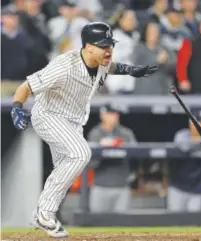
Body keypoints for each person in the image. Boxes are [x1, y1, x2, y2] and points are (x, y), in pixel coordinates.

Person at [10, 22, 158, 238]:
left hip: (73, 122)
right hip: (49, 115)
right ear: (88, 46)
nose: (109, 50)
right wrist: (16, 107)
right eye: (104, 45)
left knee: (67, 170)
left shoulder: (100, 60)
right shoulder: (64, 66)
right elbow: (26, 87)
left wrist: (132, 70)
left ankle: (41, 213)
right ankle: (44, 213)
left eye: (111, 45)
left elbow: (111, 66)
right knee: (81, 153)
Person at [88, 104, 136, 213]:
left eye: (116, 114)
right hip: (100, 187)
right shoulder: (95, 134)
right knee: (97, 224)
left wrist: (118, 146)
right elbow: (90, 162)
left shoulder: (126, 134)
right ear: (102, 115)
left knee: (122, 225)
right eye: (111, 114)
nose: (115, 116)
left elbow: (135, 154)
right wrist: (103, 148)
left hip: (122, 186)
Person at [134, 22, 176, 95]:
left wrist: (166, 62)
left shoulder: (165, 48)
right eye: (152, 31)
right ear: (145, 32)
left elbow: (174, 64)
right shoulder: (138, 48)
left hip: (163, 91)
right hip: (144, 92)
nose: (155, 34)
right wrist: (156, 61)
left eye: (157, 31)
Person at [105, 9, 140, 94]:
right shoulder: (113, 36)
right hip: (117, 84)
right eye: (129, 19)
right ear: (120, 20)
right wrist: (132, 50)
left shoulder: (137, 36)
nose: (132, 21)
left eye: (133, 19)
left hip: (133, 84)